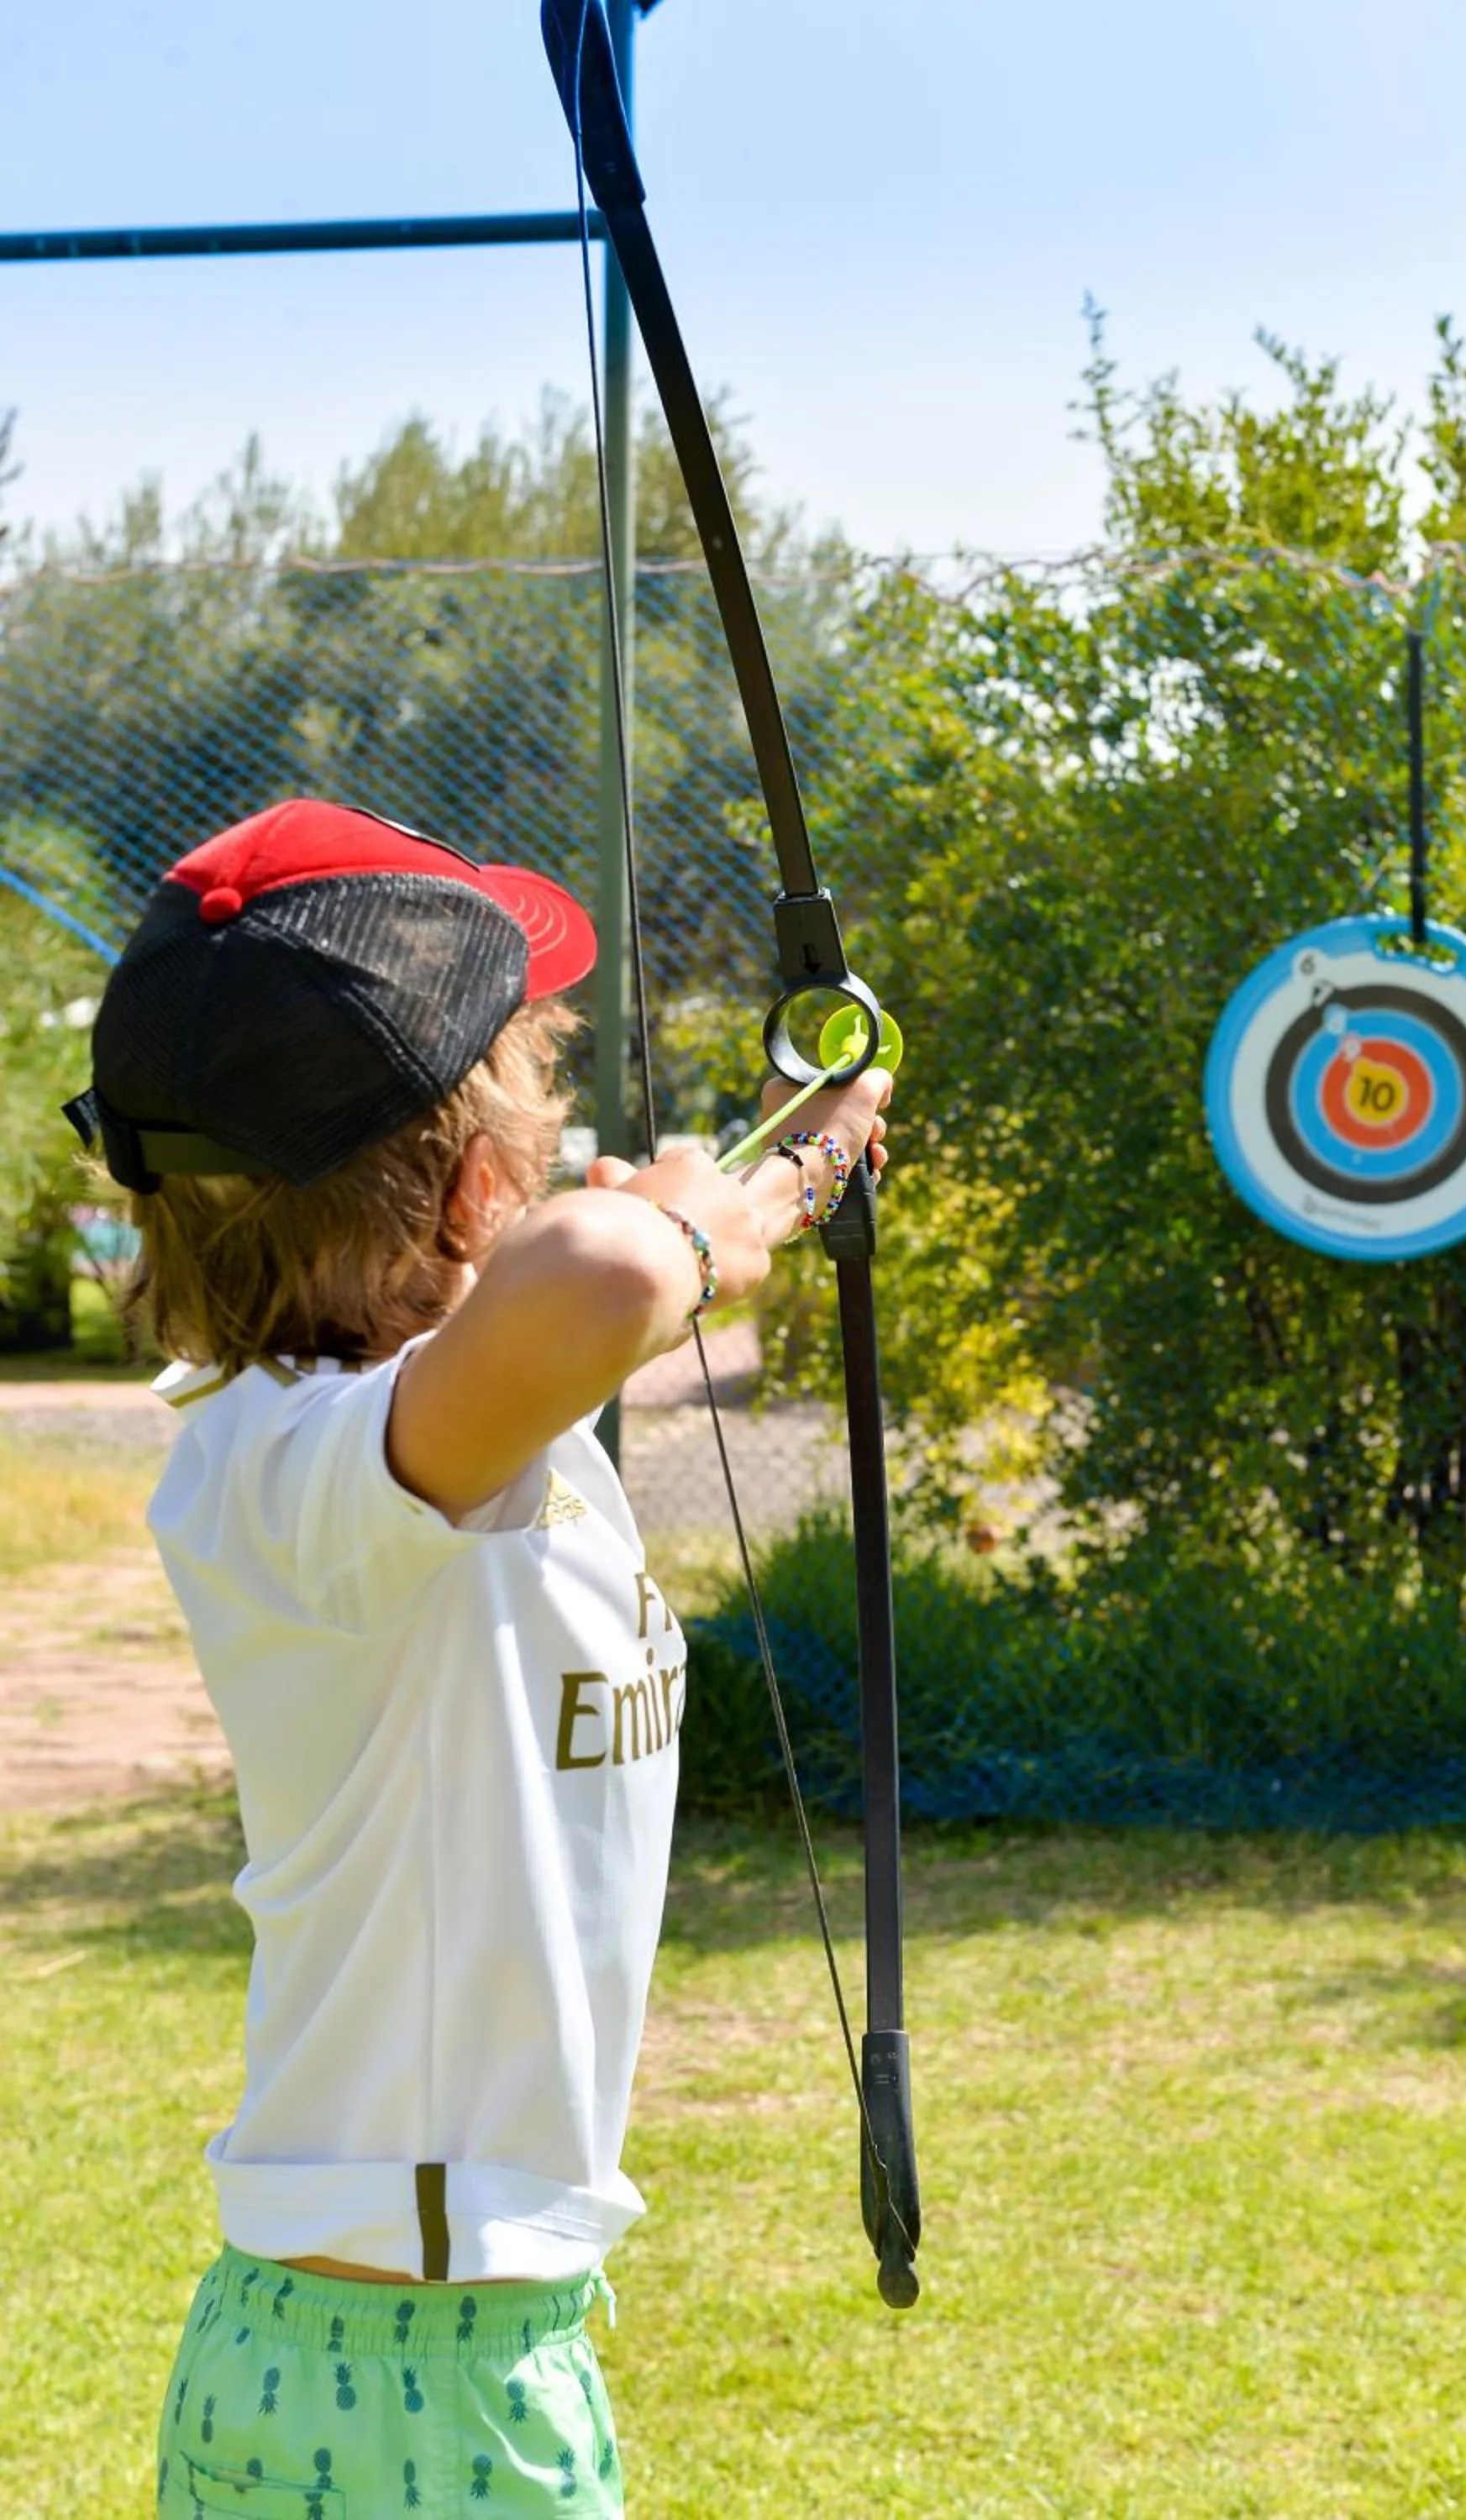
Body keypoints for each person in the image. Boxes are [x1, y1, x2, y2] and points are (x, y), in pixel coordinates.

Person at [66, 797, 891, 2519]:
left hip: (418, 2342)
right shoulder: (296, 1474)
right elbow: (601, 1274)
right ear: (468, 1189)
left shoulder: (420, 1436)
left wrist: (778, 1166)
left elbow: (579, 1299)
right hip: (411, 2380)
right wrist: (710, 1214)